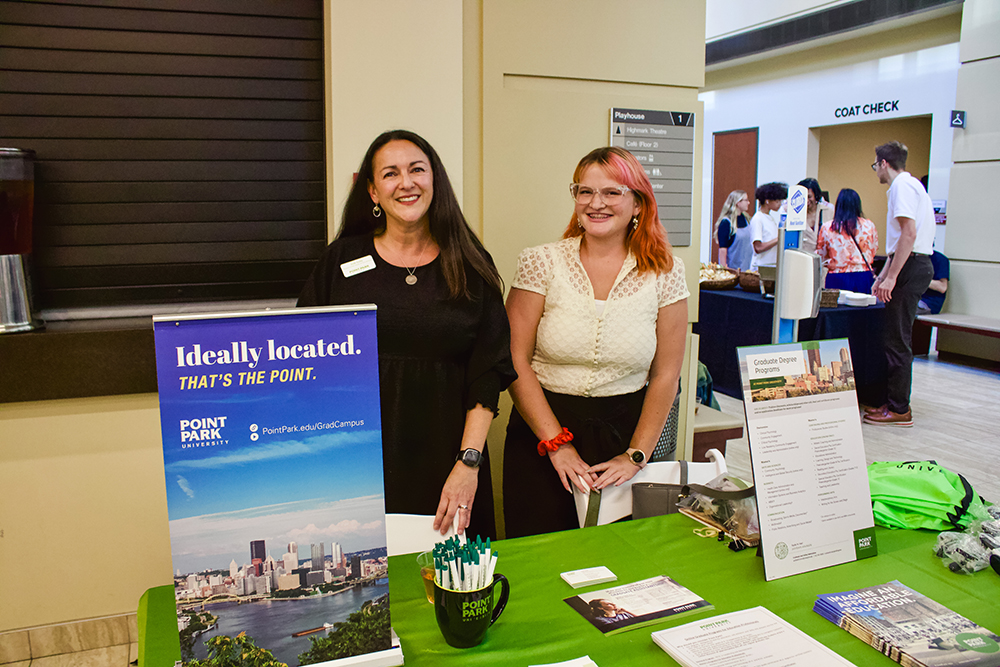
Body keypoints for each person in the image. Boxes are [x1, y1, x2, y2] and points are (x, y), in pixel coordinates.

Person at [298, 130, 516, 538]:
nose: (407, 182)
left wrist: (468, 463)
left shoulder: (469, 262)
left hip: (449, 460)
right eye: (390, 174)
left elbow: (489, 371)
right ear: (373, 192)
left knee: (450, 584)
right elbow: (305, 359)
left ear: (435, 180)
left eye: (417, 169)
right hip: (358, 463)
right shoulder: (341, 262)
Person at [502, 146, 689, 538]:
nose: (595, 203)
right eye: (584, 191)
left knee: (621, 567)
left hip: (624, 435)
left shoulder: (666, 271)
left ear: (638, 202)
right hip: (541, 436)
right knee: (542, 559)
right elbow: (514, 360)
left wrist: (636, 456)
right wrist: (556, 444)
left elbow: (666, 374)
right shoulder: (541, 262)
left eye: (611, 192)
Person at [864, 141, 935, 427]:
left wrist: (892, 276)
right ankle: (894, 401)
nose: (876, 172)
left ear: (883, 163)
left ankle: (899, 408)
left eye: (875, 166)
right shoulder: (914, 185)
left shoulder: (901, 188)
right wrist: (883, 275)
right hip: (912, 263)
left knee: (897, 339)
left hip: (911, 265)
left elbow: (908, 234)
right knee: (896, 336)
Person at [816, 188, 879, 294]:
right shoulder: (869, 225)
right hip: (863, 276)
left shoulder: (828, 227)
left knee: (838, 309)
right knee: (863, 309)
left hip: (837, 277)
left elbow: (822, 255)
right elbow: (873, 249)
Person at [749, 182, 787, 271]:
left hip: (770, 266)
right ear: (767, 201)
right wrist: (779, 238)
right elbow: (758, 247)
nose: (780, 204)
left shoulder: (770, 218)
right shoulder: (758, 219)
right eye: (777, 201)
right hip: (760, 267)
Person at [714, 190, 752, 270]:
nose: (748, 203)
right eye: (746, 200)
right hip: (733, 270)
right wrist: (724, 268)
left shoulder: (747, 219)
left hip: (747, 268)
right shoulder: (726, 222)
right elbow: (722, 249)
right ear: (738, 202)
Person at [797, 178, 834, 254]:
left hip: (823, 258)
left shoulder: (828, 212)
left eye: (809, 196)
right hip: (801, 257)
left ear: (816, 196)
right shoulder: (795, 214)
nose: (807, 200)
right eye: (803, 197)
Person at [917, 249, 949, 314]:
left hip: (927, 301)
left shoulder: (939, 259)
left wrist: (920, 280)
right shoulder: (911, 257)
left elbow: (942, 287)